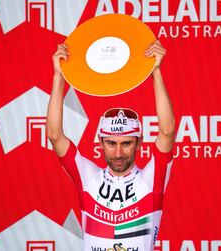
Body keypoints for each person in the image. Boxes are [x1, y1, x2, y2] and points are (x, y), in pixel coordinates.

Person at [46, 40, 175, 251]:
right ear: (101, 143)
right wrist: (58, 76)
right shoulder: (88, 177)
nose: (118, 153)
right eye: (111, 143)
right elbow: (54, 135)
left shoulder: (151, 180)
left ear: (139, 143)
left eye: (126, 144)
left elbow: (167, 131)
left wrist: (156, 72)